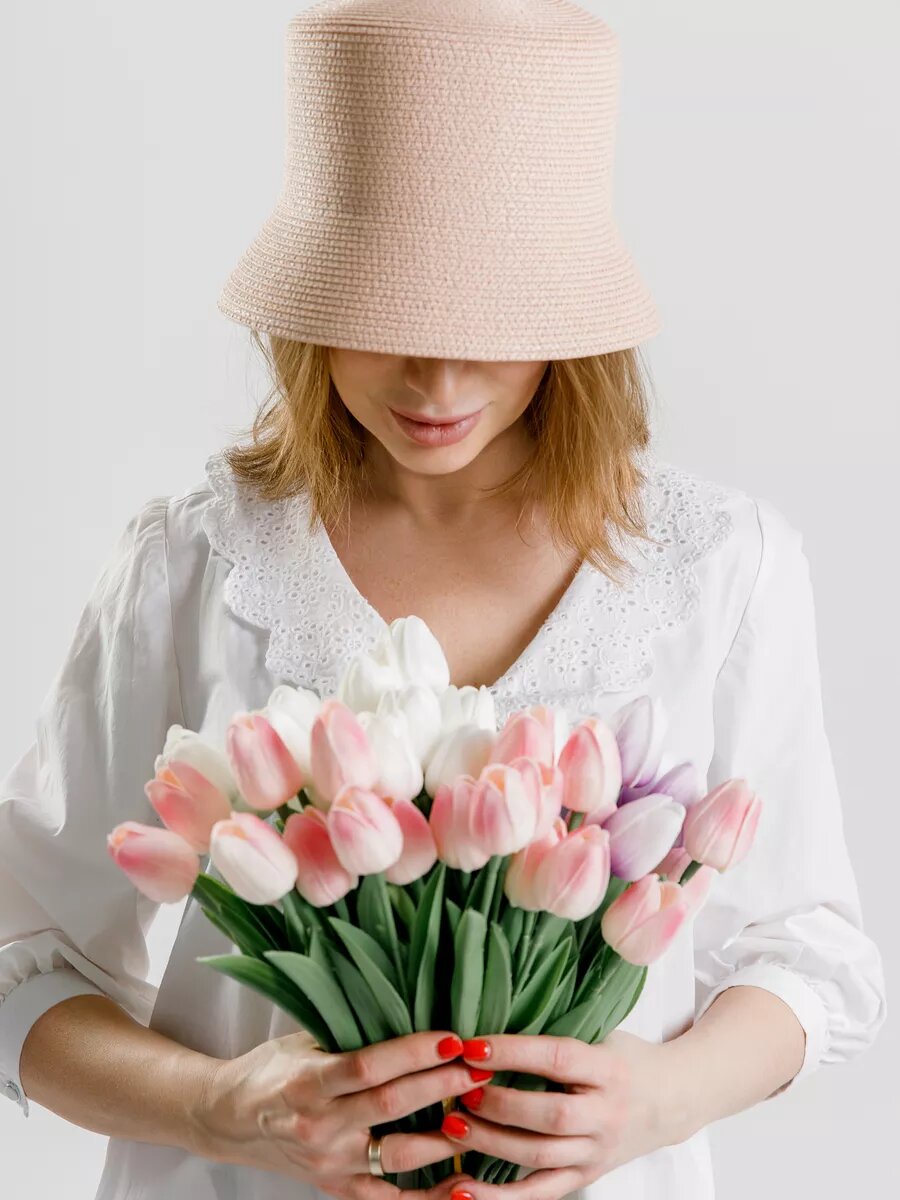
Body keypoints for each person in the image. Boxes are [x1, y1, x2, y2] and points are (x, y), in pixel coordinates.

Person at [0, 3, 887, 1200]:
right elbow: (22, 960)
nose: (436, 380)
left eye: (493, 324)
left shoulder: (721, 568)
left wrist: (658, 1101)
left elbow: (810, 954)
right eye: (384, 317)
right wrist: (226, 1109)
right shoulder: (195, 562)